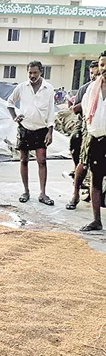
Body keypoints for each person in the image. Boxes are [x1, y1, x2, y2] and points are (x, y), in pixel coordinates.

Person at [7, 60, 55, 205]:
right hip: (25, 128)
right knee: (24, 160)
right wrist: (15, 117)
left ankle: (43, 193)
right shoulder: (22, 87)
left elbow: (51, 111)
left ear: (41, 72)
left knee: (42, 161)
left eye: (35, 73)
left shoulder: (48, 88)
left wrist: (50, 131)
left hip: (41, 129)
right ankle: (26, 191)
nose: (32, 76)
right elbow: (10, 103)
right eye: (30, 72)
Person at [66, 61, 100, 209]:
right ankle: (75, 193)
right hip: (87, 126)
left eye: (97, 73)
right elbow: (76, 110)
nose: (94, 76)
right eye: (92, 73)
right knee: (80, 153)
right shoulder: (86, 89)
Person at [79, 51, 106, 231]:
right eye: (102, 65)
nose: (105, 68)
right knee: (95, 180)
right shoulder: (91, 88)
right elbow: (86, 112)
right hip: (95, 140)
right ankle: (96, 220)